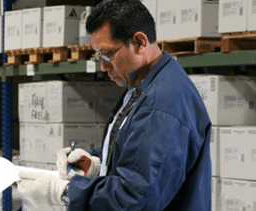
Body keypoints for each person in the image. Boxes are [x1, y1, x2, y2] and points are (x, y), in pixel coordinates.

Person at [16, 0, 212, 210]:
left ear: (139, 42)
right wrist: (96, 164)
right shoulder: (145, 86)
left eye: (108, 54)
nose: (103, 66)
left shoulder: (162, 103)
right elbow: (137, 153)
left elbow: (135, 198)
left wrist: (63, 192)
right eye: (98, 56)